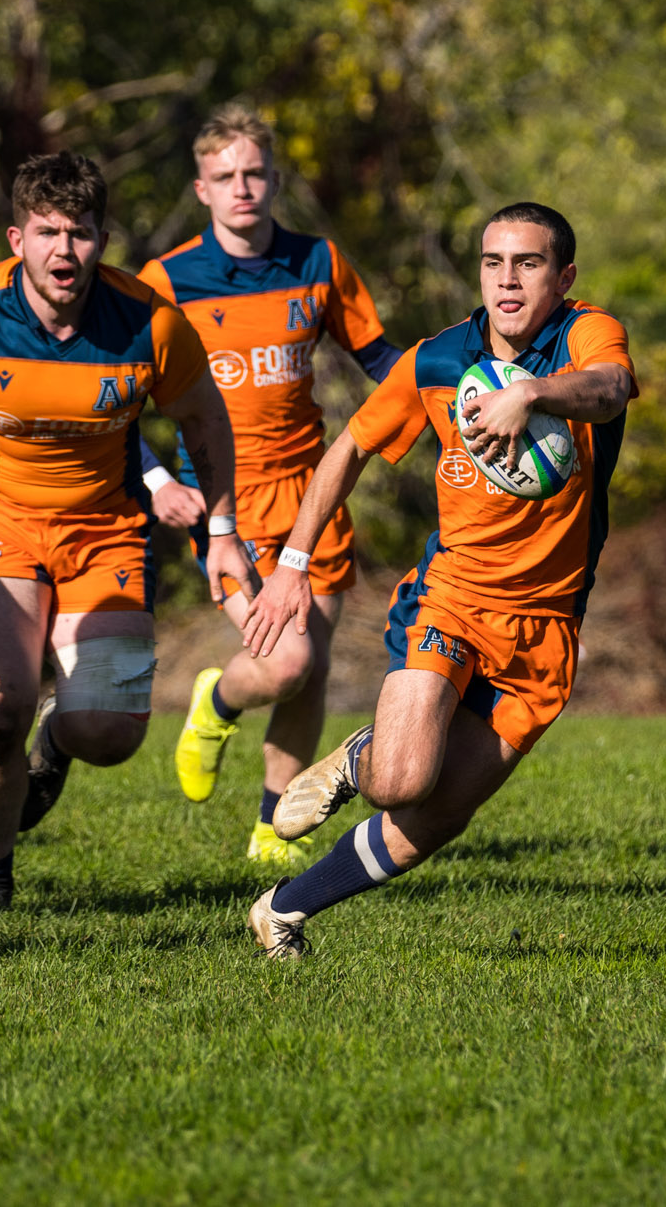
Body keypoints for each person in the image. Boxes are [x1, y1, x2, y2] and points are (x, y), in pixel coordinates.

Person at [237, 202, 634, 957]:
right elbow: (347, 450)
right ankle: (365, 755)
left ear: (565, 275)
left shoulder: (584, 334)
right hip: (451, 596)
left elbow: (611, 387)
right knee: (398, 781)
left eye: (529, 263)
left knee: (439, 815)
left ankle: (282, 911)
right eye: (493, 262)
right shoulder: (438, 360)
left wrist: (531, 394)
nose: (508, 280)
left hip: (547, 624)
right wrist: (292, 562)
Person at [0, 151, 255, 911]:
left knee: (108, 733)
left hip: (106, 532)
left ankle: (57, 737)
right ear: (17, 239)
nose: (63, 251)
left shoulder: (149, 321)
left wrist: (222, 527)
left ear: (102, 238)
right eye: (47, 232)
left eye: (79, 233)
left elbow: (206, 421)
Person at [134, 106, 400, 868]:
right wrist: (155, 478)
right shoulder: (167, 281)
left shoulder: (318, 261)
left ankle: (273, 829)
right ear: (202, 189)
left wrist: (450, 397)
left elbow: (381, 360)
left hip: (311, 493)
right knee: (284, 663)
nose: (242, 188)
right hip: (225, 501)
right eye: (226, 177)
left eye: (254, 173)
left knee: (308, 664)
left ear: (275, 180)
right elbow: (114, 387)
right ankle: (216, 699)